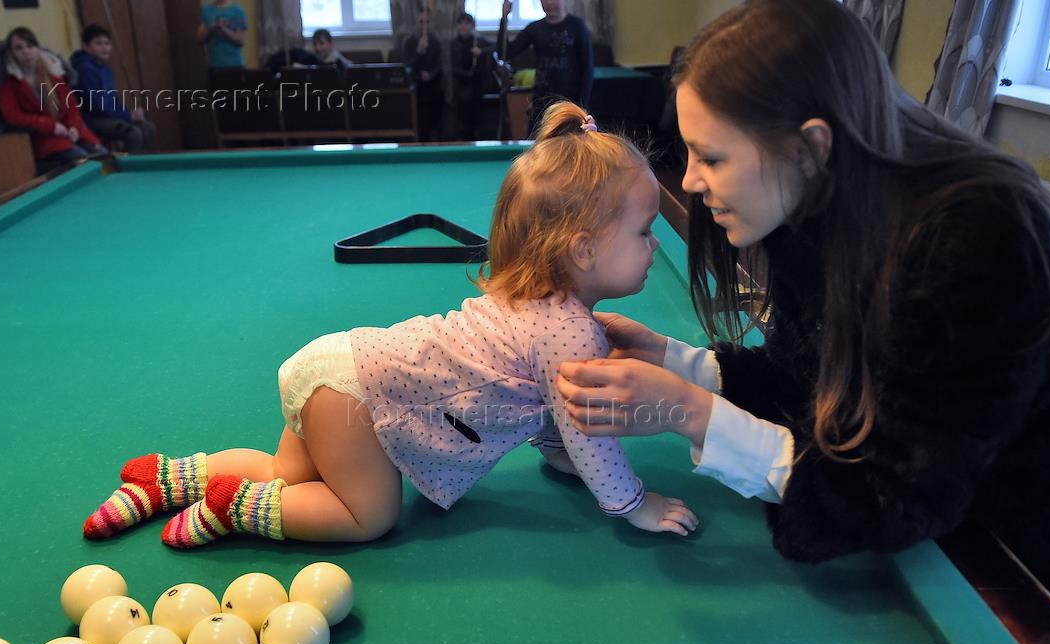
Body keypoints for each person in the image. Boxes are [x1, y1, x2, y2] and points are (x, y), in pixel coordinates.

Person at [554, 0, 1050, 644]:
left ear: (811, 147)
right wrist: (675, 362)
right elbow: (816, 382)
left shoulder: (984, 246)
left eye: (711, 157)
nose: (689, 182)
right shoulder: (818, 202)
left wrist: (693, 414)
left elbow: (893, 495)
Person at [83, 102, 698, 548]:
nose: (652, 245)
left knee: (286, 472)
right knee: (367, 516)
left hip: (337, 365)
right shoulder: (570, 331)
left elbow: (541, 405)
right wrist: (632, 503)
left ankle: (167, 477)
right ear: (584, 250)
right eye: (645, 231)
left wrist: (558, 454)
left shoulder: (533, 304)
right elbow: (588, 431)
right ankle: (237, 510)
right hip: (357, 402)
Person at [0, 27, 107, 164]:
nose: (26, 52)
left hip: (69, 131)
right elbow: (13, 117)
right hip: (43, 137)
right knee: (82, 159)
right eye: (19, 48)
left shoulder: (54, 73)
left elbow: (72, 107)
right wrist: (50, 125)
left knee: (104, 156)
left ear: (38, 49)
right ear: (11, 53)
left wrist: (73, 126)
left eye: (30, 46)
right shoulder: (7, 84)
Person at [498, 0, 593, 134]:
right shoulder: (535, 28)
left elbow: (587, 69)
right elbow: (505, 52)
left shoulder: (577, 26)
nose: (549, 3)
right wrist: (504, 19)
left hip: (570, 102)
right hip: (541, 101)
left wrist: (583, 106)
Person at [71, 25, 157, 153]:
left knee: (148, 128)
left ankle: (145, 162)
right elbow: (97, 106)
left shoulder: (104, 68)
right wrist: (128, 116)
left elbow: (112, 99)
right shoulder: (85, 70)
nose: (104, 48)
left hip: (107, 115)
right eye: (98, 43)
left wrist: (130, 113)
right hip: (91, 119)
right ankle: (126, 164)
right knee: (134, 134)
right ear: (86, 46)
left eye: (107, 43)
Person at [402, 8, 443, 141]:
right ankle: (417, 137)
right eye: (421, 22)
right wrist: (419, 52)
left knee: (437, 96)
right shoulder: (409, 42)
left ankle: (434, 136)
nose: (424, 25)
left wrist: (430, 74)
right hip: (415, 84)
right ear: (416, 22)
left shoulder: (435, 41)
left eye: (427, 22)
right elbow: (407, 68)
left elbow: (438, 65)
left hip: (432, 84)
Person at [451, 12, 490, 141]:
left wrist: (481, 51)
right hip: (462, 85)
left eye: (466, 23)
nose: (463, 26)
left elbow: (496, 46)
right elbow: (455, 67)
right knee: (464, 118)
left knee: (477, 119)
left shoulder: (478, 41)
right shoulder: (454, 43)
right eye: (460, 23)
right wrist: (468, 74)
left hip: (477, 86)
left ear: (472, 26)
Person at [197, 0, 247, 69]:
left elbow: (241, 41)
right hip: (213, 64)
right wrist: (210, 27)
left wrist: (224, 29)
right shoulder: (206, 10)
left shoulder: (238, 10)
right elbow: (199, 39)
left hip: (235, 64)